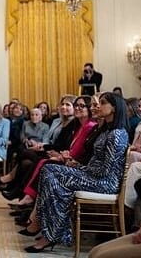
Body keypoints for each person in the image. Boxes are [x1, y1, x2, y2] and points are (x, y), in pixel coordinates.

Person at [24, 92, 129, 253]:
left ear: (114, 108)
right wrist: (79, 166)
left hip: (105, 183)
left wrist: (79, 167)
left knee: (51, 173)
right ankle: (53, 231)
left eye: (102, 103)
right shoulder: (107, 130)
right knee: (49, 171)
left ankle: (51, 233)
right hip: (93, 176)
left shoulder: (117, 134)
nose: (98, 106)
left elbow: (105, 171)